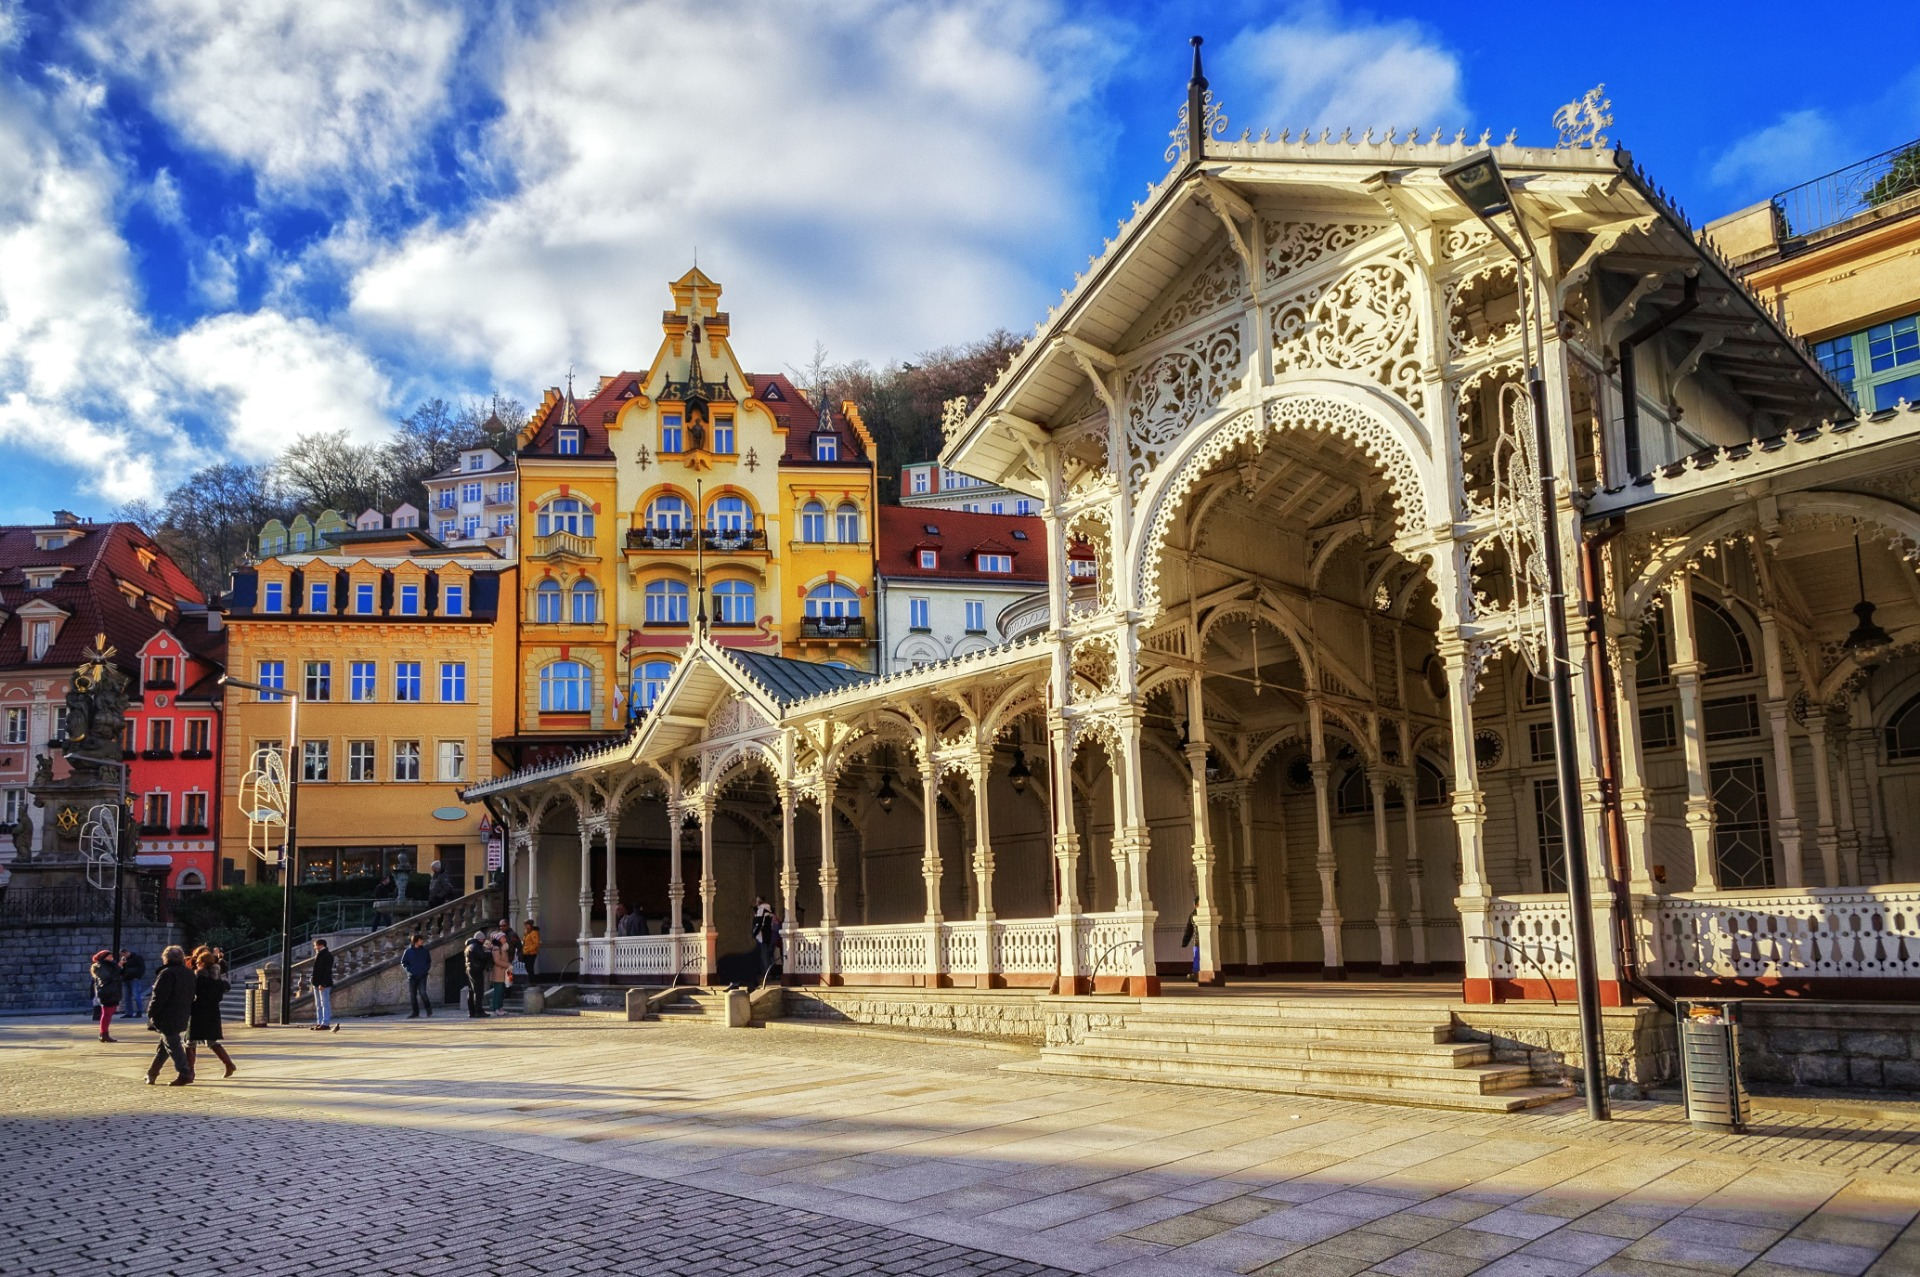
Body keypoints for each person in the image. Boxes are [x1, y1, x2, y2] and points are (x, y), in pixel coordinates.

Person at [144, 945, 194, 1086]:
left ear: (166, 958)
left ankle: (185, 1073)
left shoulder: (167, 973)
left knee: (173, 1045)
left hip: (167, 1015)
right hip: (182, 1013)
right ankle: (152, 1073)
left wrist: (151, 1012)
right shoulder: (188, 973)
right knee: (165, 1046)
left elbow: (158, 996)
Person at [187, 947, 235, 1078]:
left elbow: (191, 995)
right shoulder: (217, 981)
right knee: (211, 1041)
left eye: (198, 962)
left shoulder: (198, 979)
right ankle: (229, 1064)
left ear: (202, 963)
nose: (196, 964)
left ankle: (190, 1071)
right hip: (213, 1012)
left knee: (190, 1042)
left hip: (198, 1012)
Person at [90, 950, 122, 1042]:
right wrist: (117, 968)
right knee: (106, 1013)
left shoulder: (109, 965)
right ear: (104, 957)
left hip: (112, 991)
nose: (111, 958)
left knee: (109, 1013)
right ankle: (103, 1034)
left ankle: (104, 1033)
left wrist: (119, 967)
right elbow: (107, 977)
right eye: (109, 956)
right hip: (106, 992)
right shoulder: (99, 966)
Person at [310, 937, 338, 1032]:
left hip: (323, 983)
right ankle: (320, 1022)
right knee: (318, 1004)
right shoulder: (319, 954)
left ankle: (325, 1023)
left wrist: (323, 983)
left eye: (316, 946)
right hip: (317, 983)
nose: (315, 948)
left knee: (324, 1003)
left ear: (321, 945)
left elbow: (327, 971)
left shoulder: (326, 955)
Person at [401, 934, 433, 1017]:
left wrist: (425, 970)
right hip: (412, 976)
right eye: (420, 940)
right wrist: (409, 970)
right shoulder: (408, 951)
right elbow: (404, 962)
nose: (422, 941)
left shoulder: (425, 951)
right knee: (413, 994)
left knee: (422, 993)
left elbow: (428, 961)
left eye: (422, 940)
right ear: (415, 941)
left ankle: (428, 1009)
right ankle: (415, 1012)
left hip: (422, 975)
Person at [463, 931, 491, 1017]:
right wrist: (489, 953)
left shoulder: (469, 946)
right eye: (483, 940)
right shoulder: (475, 946)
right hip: (476, 970)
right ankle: (478, 1011)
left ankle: (472, 1012)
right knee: (478, 991)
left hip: (469, 969)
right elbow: (482, 955)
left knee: (471, 991)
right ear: (480, 939)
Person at [487, 930, 512, 1013]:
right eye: (502, 938)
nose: (504, 939)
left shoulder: (503, 947)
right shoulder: (496, 948)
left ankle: (500, 1007)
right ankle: (496, 1008)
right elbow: (497, 961)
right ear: (498, 939)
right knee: (498, 991)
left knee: (501, 991)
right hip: (498, 972)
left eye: (504, 937)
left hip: (503, 972)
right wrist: (507, 965)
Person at [751, 897, 776, 974]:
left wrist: (754, 934)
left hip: (762, 935)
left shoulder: (761, 910)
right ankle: (772, 972)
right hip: (769, 934)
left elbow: (759, 924)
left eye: (757, 901)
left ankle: (767, 973)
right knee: (769, 955)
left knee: (764, 955)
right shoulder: (769, 910)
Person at [120, 948, 147, 1018]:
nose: (123, 956)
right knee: (127, 997)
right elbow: (122, 970)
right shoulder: (124, 960)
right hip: (126, 979)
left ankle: (139, 1011)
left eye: (124, 955)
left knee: (136, 995)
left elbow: (142, 968)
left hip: (134, 979)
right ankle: (129, 1012)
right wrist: (121, 965)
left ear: (126, 953)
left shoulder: (137, 958)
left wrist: (138, 976)